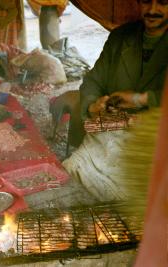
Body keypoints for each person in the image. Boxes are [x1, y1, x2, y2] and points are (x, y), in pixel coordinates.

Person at [62, 0, 168, 201]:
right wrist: (93, 104)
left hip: (155, 142)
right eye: (147, 1)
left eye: (162, 3)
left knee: (134, 203)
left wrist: (143, 99)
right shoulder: (121, 37)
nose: (153, 10)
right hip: (107, 137)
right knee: (72, 175)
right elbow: (94, 80)